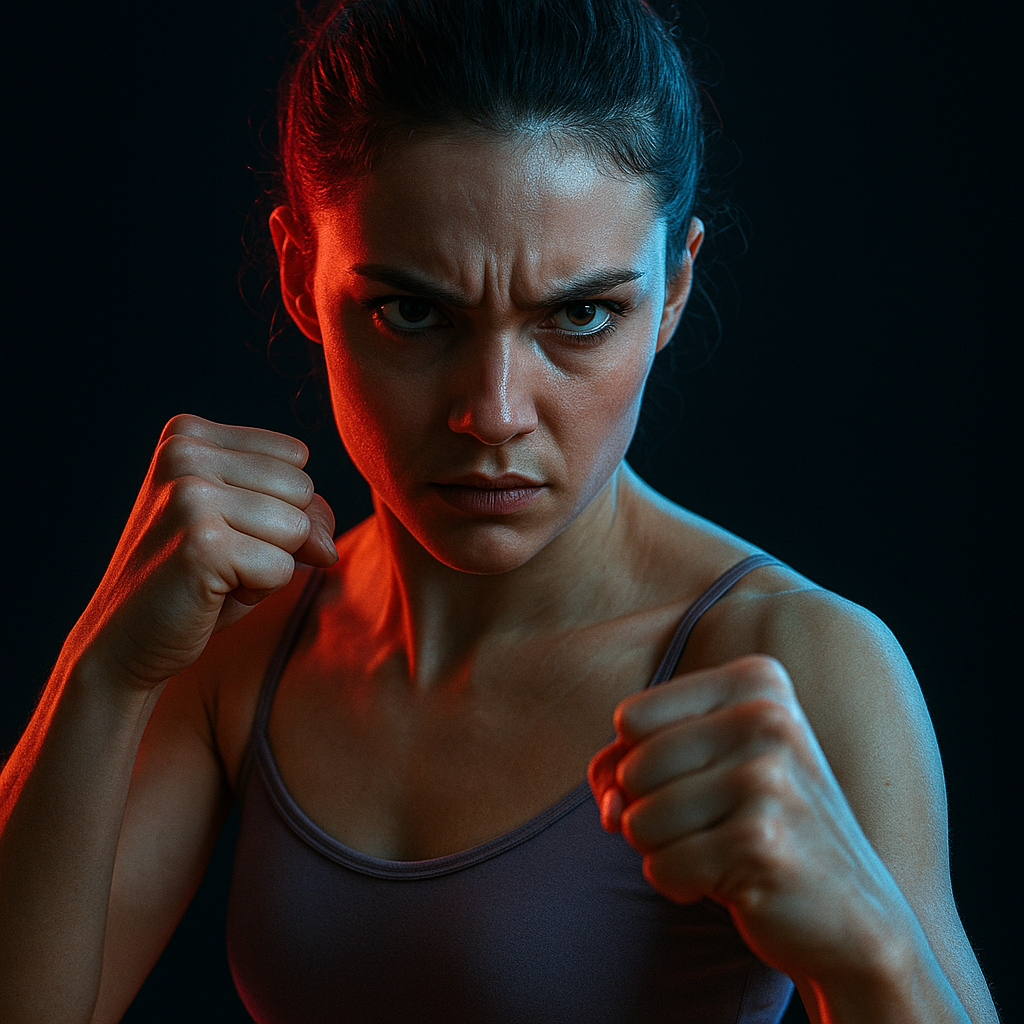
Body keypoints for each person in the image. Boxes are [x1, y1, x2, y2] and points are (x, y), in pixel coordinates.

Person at [0, 1, 1000, 1021]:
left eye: (578, 315)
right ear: (303, 272)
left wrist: (871, 942)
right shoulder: (242, 635)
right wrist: (101, 667)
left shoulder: (795, 659)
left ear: (674, 289)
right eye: (414, 311)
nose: (492, 414)